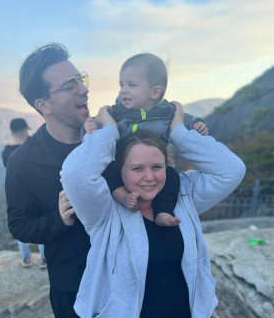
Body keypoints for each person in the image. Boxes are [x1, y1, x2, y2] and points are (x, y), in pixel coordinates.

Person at [60, 102, 246, 318]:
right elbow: (75, 175)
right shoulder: (104, 208)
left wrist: (180, 132)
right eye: (137, 168)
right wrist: (108, 131)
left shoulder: (183, 195)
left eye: (157, 167)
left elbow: (232, 170)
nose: (149, 177)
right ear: (119, 170)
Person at [4, 44, 105, 318]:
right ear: (42, 105)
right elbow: (18, 224)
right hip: (70, 280)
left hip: (120, 271)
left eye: (80, 78)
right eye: (69, 85)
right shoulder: (23, 163)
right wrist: (57, 219)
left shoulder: (105, 139)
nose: (83, 88)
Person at [82, 53, 208, 227]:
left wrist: (197, 124)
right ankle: (124, 198)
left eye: (131, 85)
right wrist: (89, 129)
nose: (123, 90)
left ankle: (163, 212)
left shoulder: (166, 112)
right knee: (108, 170)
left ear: (155, 92)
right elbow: (95, 131)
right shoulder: (116, 112)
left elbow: (185, 119)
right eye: (121, 84)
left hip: (155, 167)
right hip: (123, 166)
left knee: (172, 176)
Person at [2, 118, 46, 268]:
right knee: (42, 222)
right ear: (25, 131)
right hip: (38, 192)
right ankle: (43, 259)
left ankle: (26, 258)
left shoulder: (6, 153)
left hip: (18, 195)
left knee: (21, 224)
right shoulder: (32, 147)